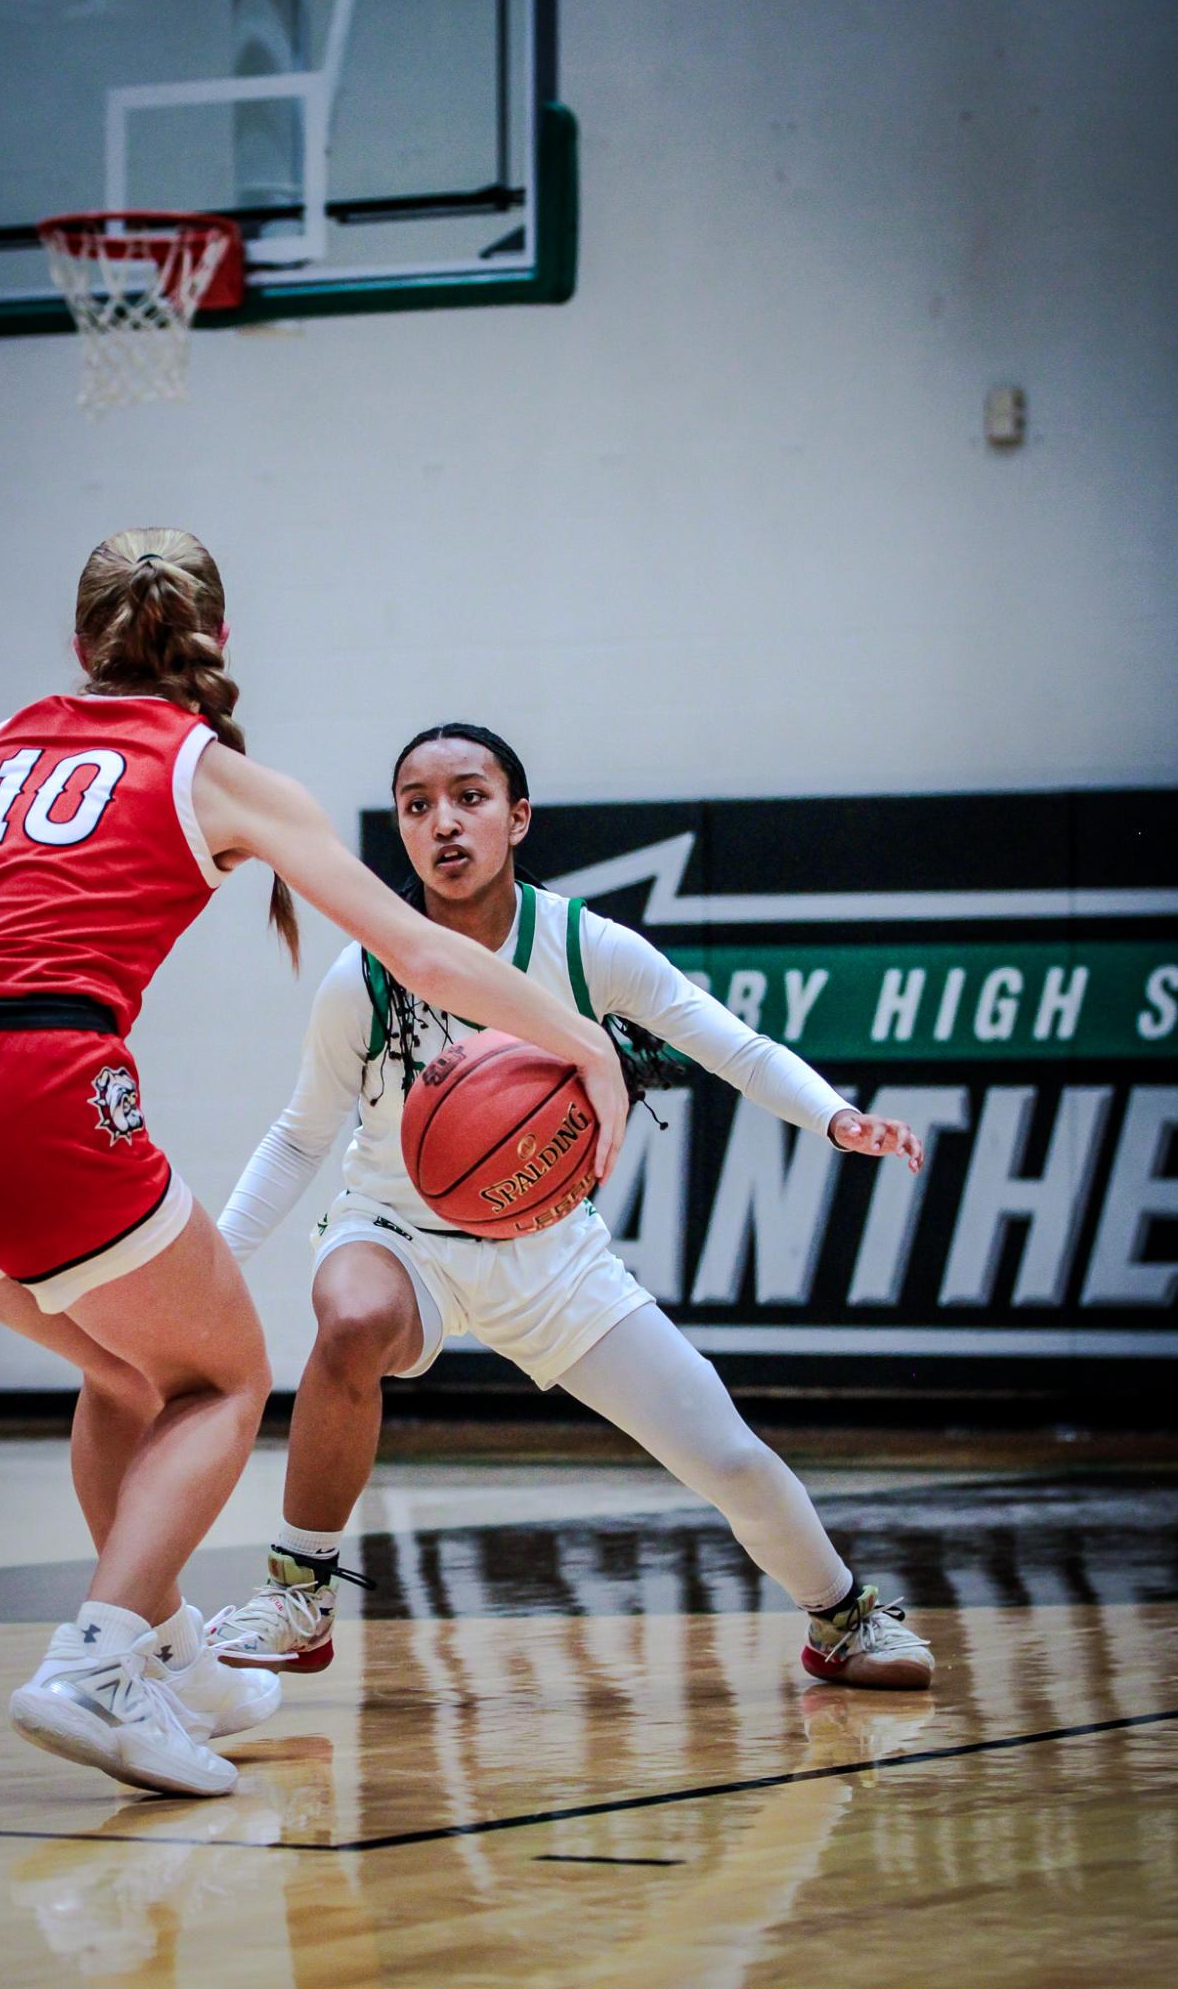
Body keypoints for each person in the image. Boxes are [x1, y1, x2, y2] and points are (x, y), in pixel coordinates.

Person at [0, 543, 628, 1801]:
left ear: (78, 647)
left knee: (120, 1370)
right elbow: (419, 955)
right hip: (31, 1087)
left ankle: (161, 1652)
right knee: (224, 1377)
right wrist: (577, 1035)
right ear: (215, 636)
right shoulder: (216, 776)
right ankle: (98, 1668)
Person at [213, 723, 935, 1691]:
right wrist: (213, 1259)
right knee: (349, 1318)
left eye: (468, 796)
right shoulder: (366, 974)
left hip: (551, 1257)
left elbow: (732, 1046)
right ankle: (298, 1593)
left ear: (517, 818)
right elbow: (303, 1135)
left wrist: (835, 1120)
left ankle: (842, 1618)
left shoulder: (586, 948)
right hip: (395, 1235)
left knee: (726, 1458)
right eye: (416, 805)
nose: (443, 822)